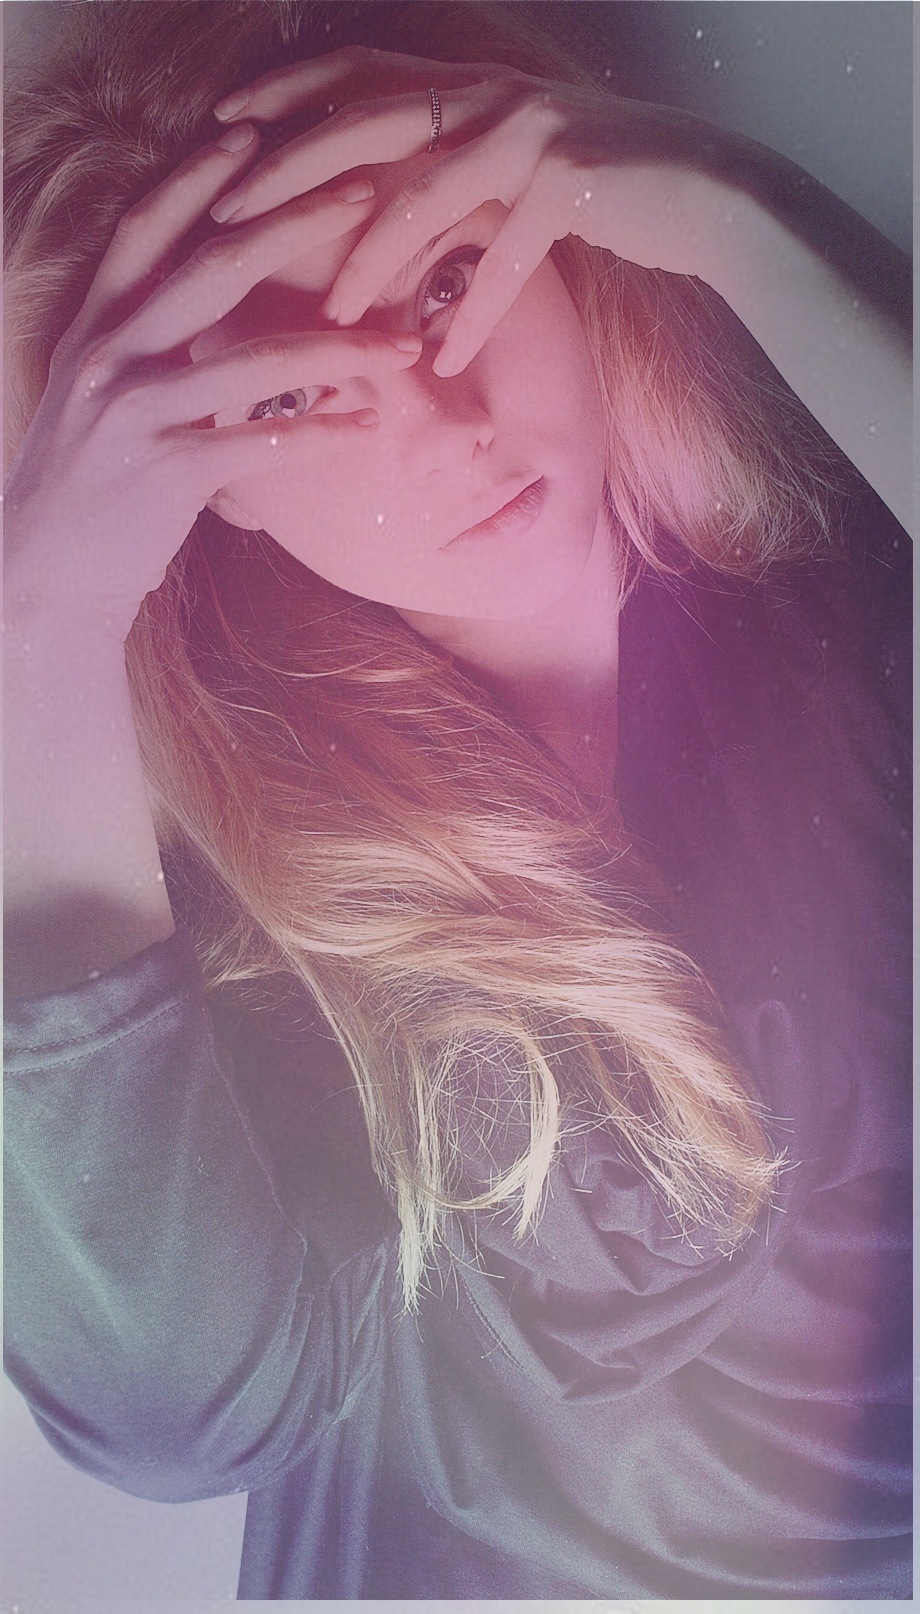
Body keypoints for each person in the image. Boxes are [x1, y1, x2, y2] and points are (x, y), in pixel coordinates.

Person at [4, 0, 911, 1599]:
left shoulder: (826, 578)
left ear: (563, 234)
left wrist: (736, 213)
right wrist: (42, 622)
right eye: (288, 394)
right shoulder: (254, 912)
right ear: (207, 492)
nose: (450, 419)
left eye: (444, 279)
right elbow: (179, 1414)